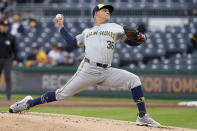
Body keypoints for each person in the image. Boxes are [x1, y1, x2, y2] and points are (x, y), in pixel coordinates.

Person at [9, 4, 160, 127]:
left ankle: (143, 117)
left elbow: (132, 41)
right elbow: (72, 42)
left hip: (106, 70)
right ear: (95, 14)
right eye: (104, 9)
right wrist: (61, 27)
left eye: (109, 10)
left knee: (134, 80)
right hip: (88, 69)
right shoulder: (87, 32)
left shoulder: (115, 27)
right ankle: (28, 103)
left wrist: (141, 38)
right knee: (60, 94)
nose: (108, 11)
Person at [0, 19, 17, 100]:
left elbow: (15, 49)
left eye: (6, 26)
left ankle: (8, 96)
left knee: (7, 77)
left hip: (7, 59)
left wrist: (15, 59)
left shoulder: (11, 37)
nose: (4, 27)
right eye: (3, 26)